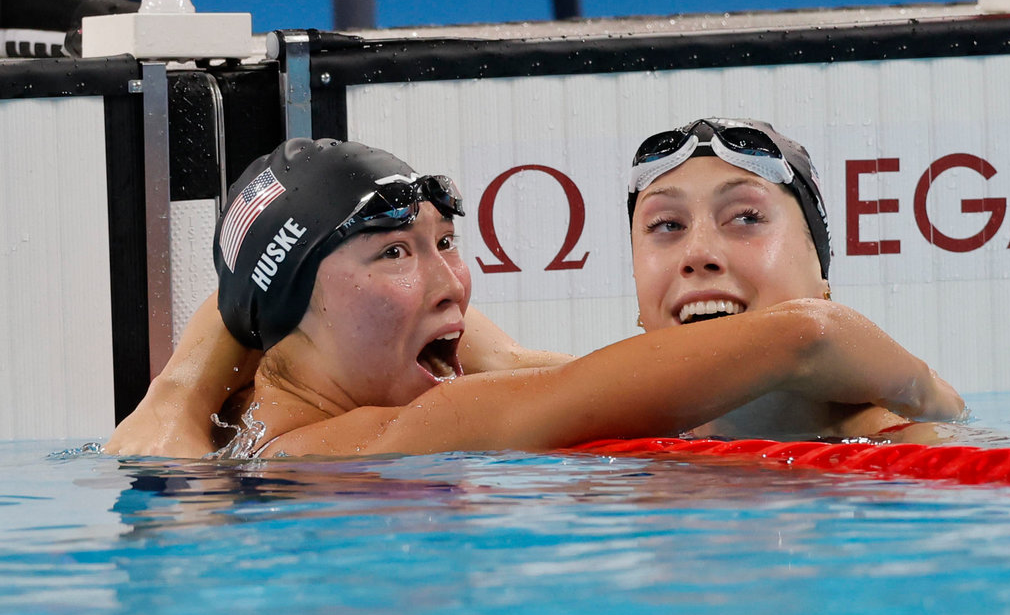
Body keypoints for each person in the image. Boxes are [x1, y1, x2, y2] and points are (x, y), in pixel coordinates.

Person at [106, 137, 962, 458]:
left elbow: (521, 365)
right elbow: (806, 338)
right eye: (396, 252)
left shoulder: (260, 402)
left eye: (447, 243)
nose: (452, 282)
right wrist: (929, 394)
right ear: (293, 310)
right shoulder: (378, 437)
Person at [625, 117, 944, 442]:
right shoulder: (605, 446)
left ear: (821, 270)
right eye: (667, 225)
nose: (698, 254)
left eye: (746, 218)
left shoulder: (912, 449)